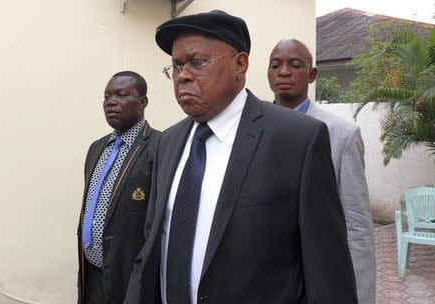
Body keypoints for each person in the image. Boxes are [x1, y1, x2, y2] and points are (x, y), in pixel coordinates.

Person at [124, 10, 358, 304]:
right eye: (176, 65)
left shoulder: (298, 139)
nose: (183, 75)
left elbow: (327, 270)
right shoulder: (167, 143)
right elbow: (151, 249)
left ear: (240, 64)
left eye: (197, 62)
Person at [267, 38, 376, 304]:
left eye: (295, 65)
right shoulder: (250, 129)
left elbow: (356, 223)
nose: (283, 72)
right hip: (263, 277)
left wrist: (359, 294)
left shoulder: (342, 134)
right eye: (275, 65)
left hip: (315, 276)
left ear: (312, 75)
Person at [77, 71, 160, 304]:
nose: (111, 102)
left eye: (122, 95)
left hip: (129, 278)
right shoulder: (97, 148)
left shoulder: (158, 147)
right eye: (107, 97)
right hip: (91, 274)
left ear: (143, 103)